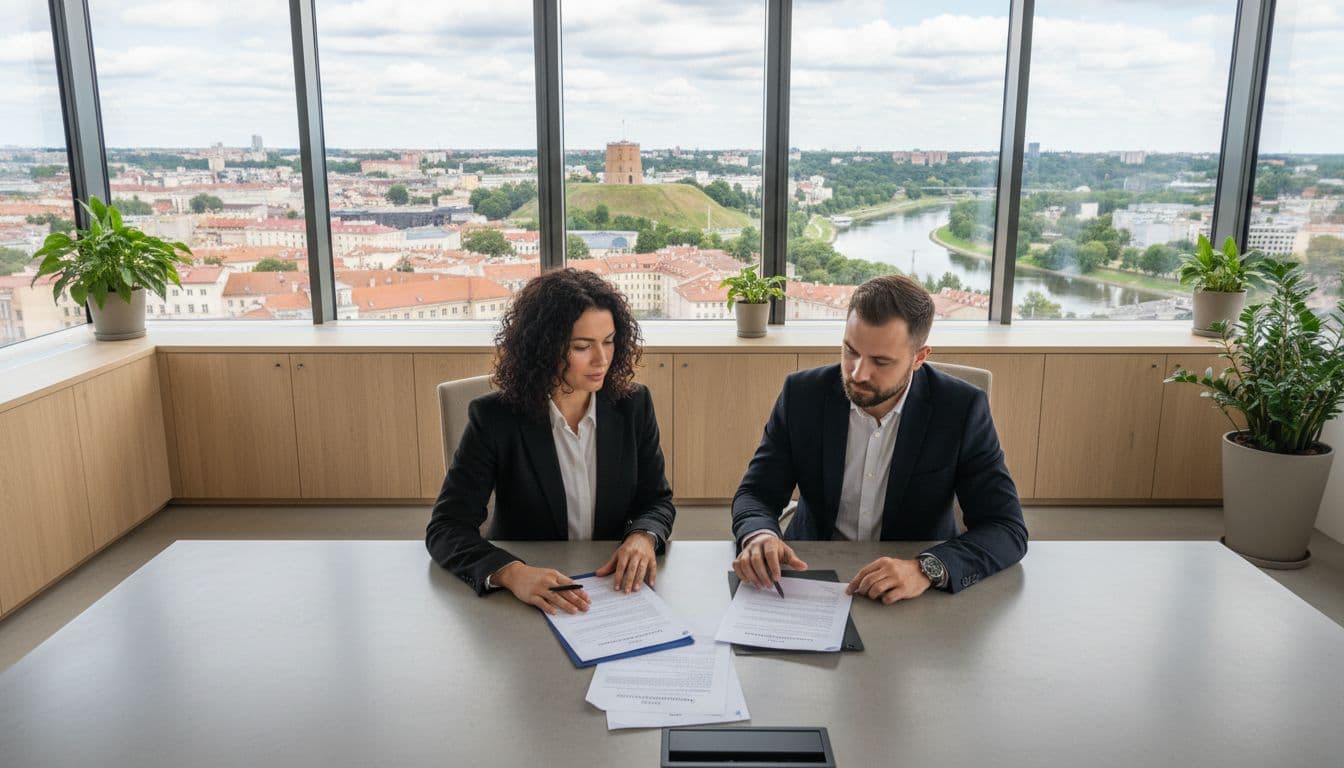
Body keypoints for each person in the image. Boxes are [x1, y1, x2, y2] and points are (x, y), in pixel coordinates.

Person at [731, 274, 1027, 603]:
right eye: (850, 351)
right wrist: (759, 535)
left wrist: (926, 568)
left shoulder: (961, 409)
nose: (858, 373)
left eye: (881, 361)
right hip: (812, 572)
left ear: (919, 357)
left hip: (911, 588)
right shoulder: (803, 395)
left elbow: (1006, 528)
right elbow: (757, 493)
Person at [426, 268, 675, 616]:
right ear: (543, 348)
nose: (602, 359)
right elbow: (446, 528)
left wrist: (643, 536)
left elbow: (657, 501)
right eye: (582, 347)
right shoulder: (494, 418)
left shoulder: (633, 405)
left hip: (611, 589)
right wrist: (512, 573)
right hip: (527, 595)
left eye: (609, 341)